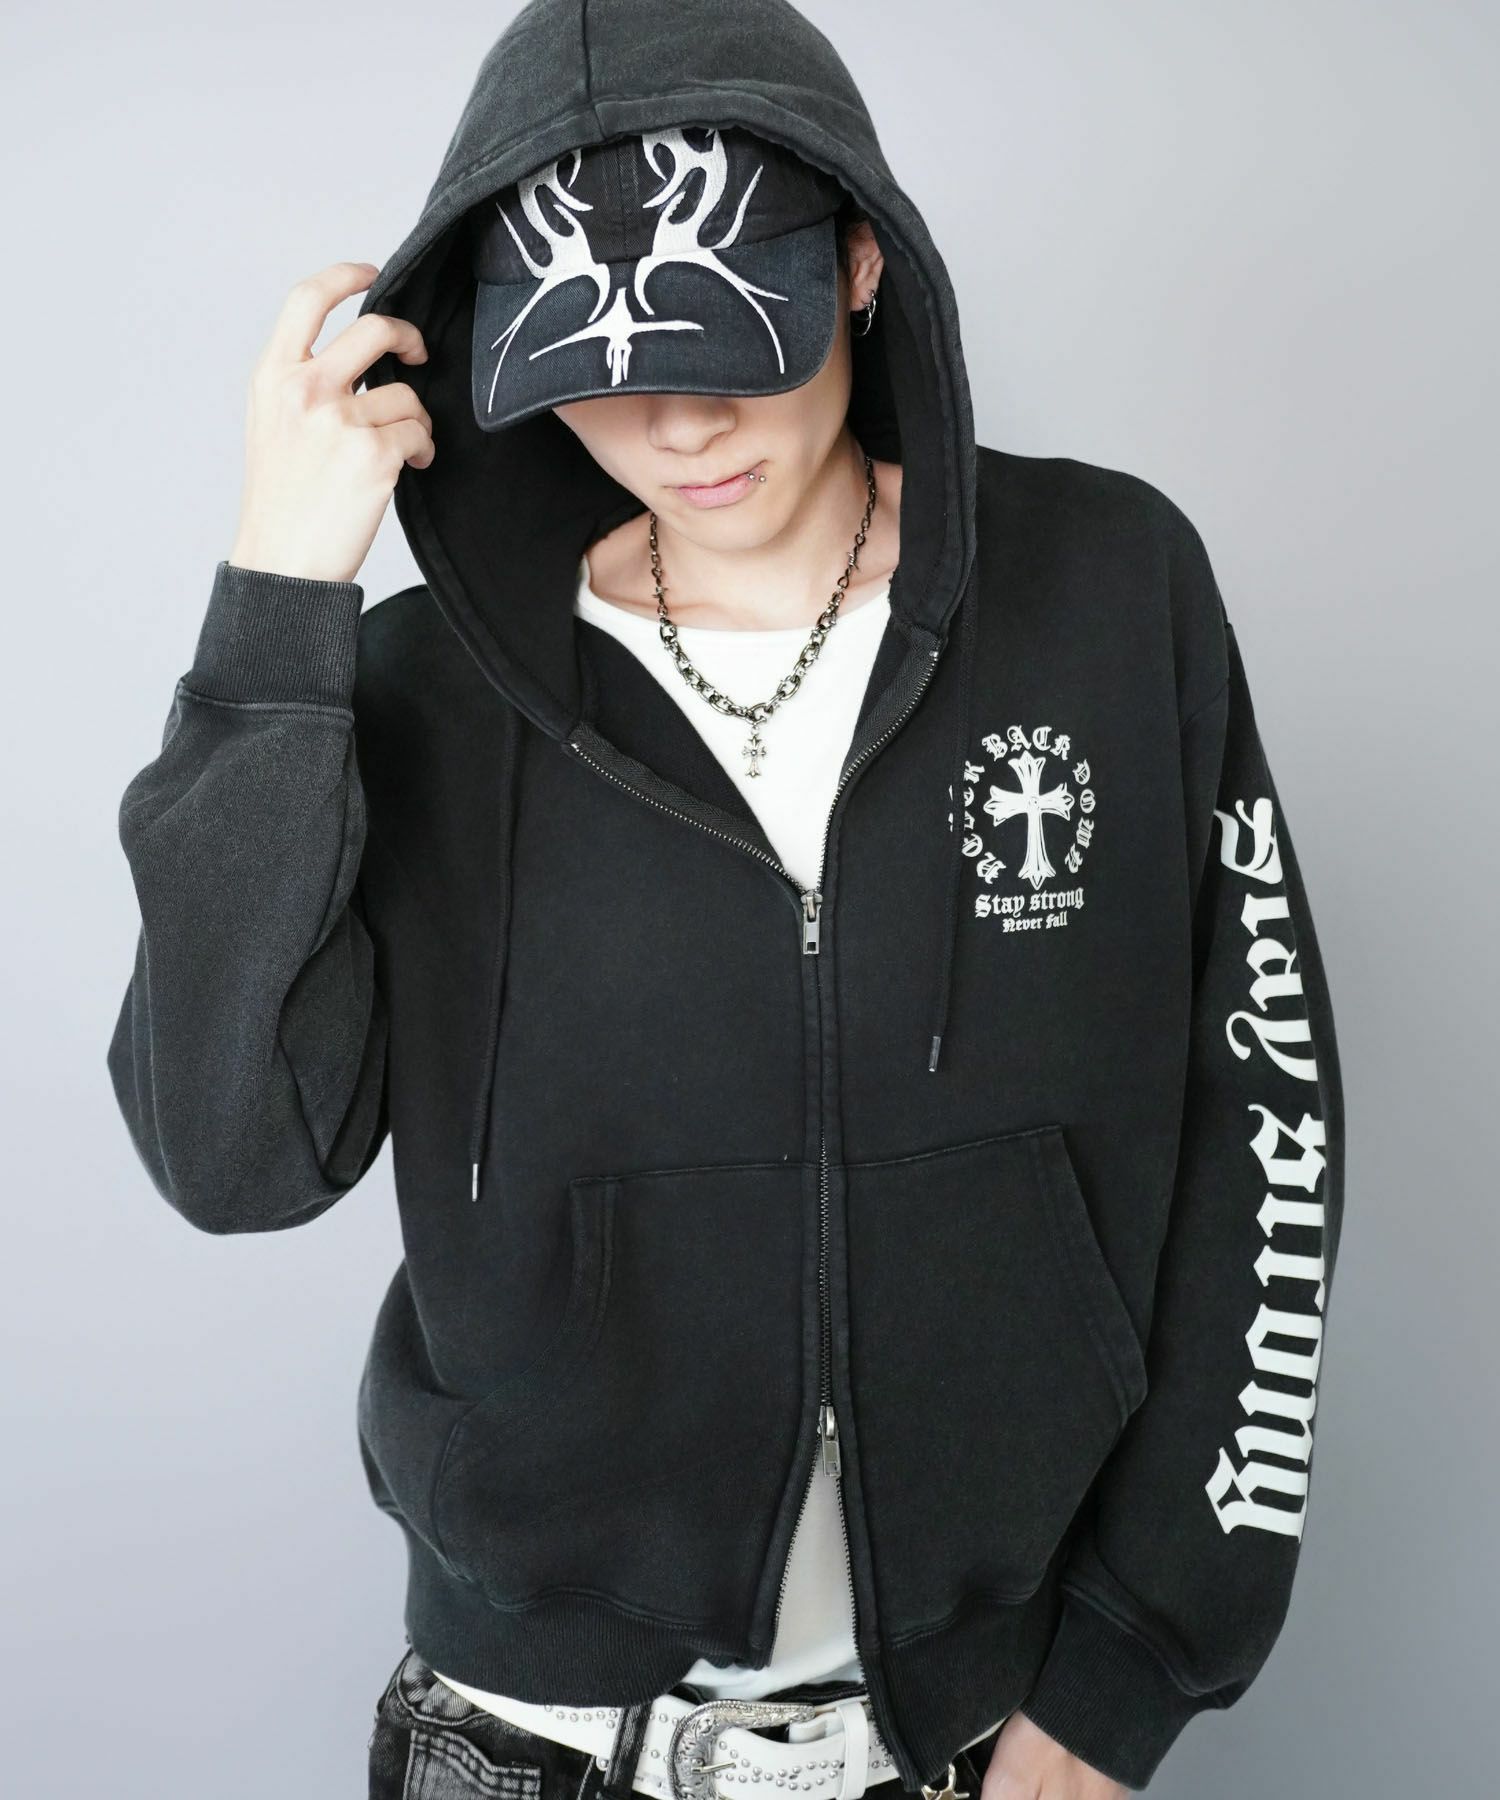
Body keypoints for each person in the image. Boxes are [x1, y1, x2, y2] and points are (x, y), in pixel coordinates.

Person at [105, 1, 1347, 1797]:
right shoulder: (414, 690)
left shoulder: (1111, 592)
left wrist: (1132, 1669)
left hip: (975, 1739)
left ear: (860, 265)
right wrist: (276, 603)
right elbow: (233, 1158)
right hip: (526, 1740)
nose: (678, 422)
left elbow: (1267, 1131)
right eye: (596, 367)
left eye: (731, 342)